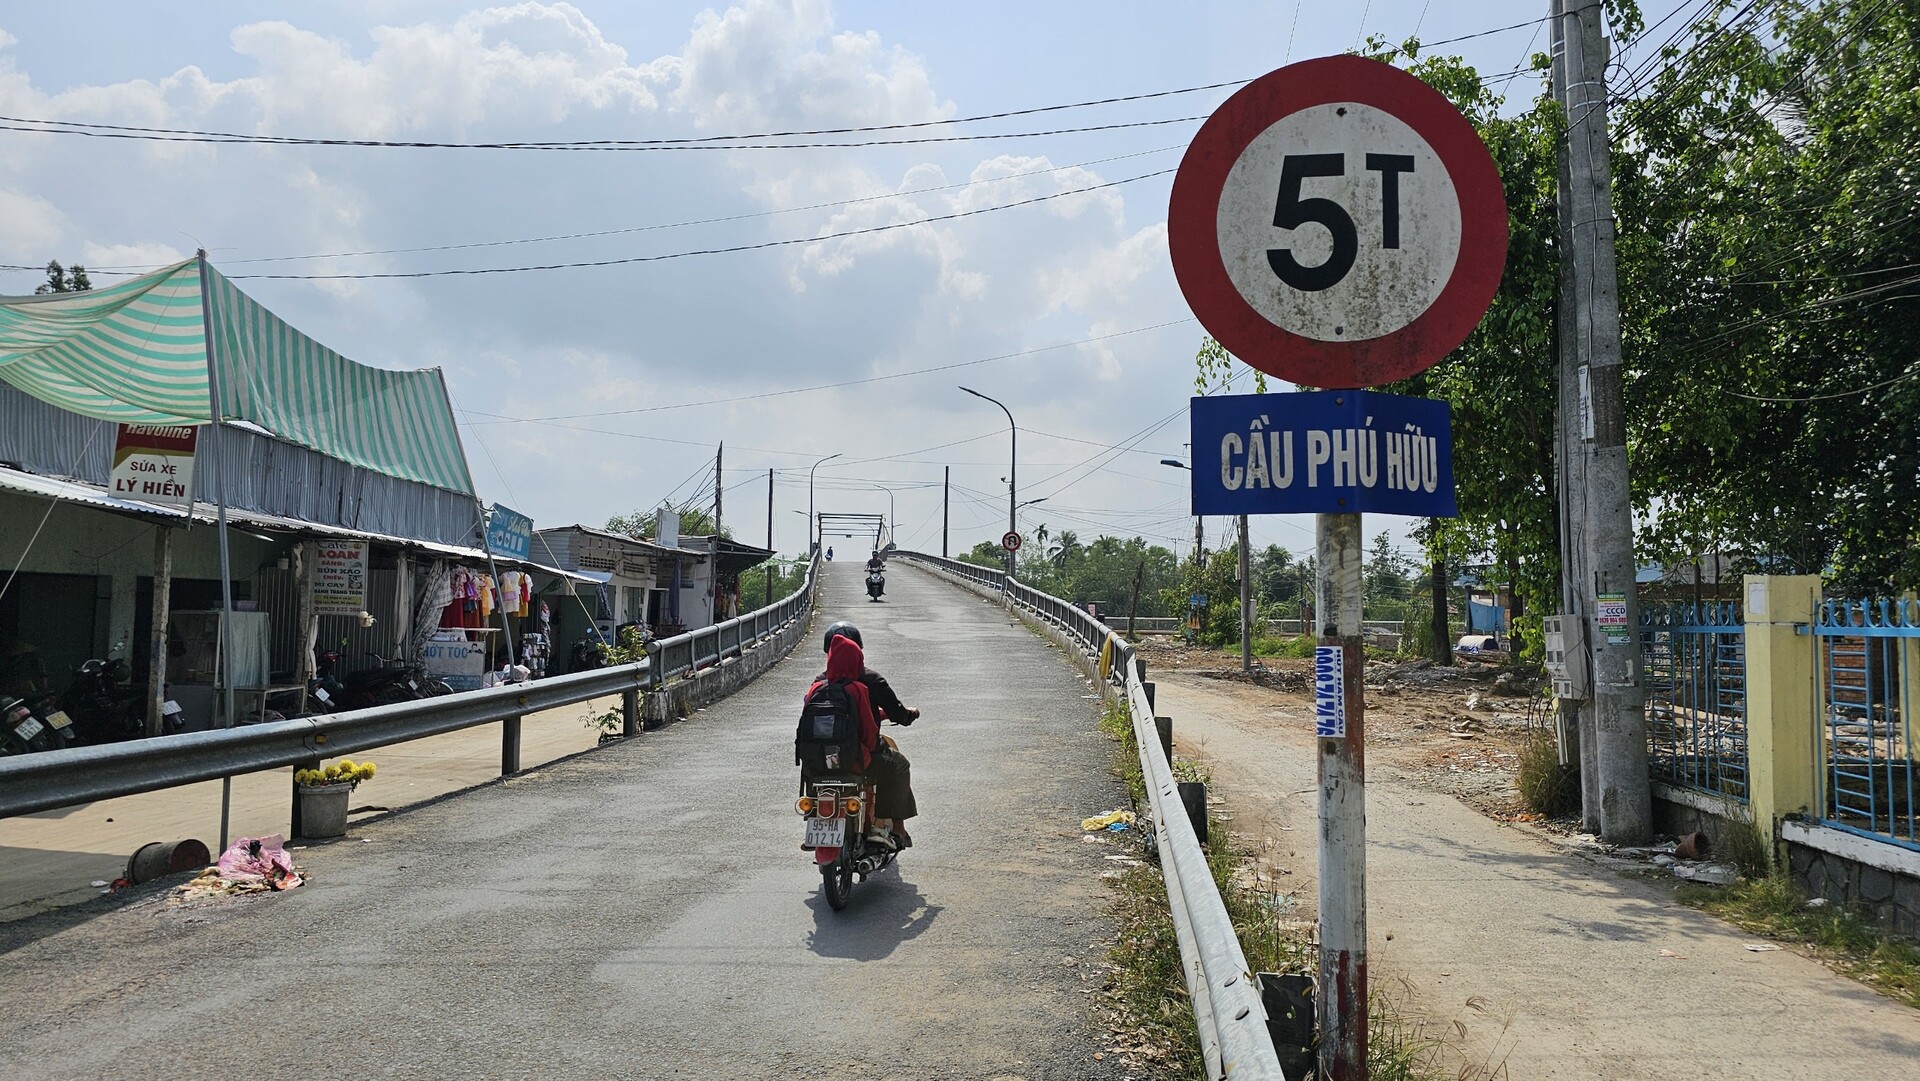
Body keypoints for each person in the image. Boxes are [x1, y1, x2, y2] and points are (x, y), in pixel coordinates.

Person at [814, 620, 919, 848]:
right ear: (859, 651)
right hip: (857, 757)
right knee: (898, 765)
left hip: (821, 761)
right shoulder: (867, 682)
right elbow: (871, 727)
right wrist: (908, 715)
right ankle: (883, 826)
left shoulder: (819, 684)